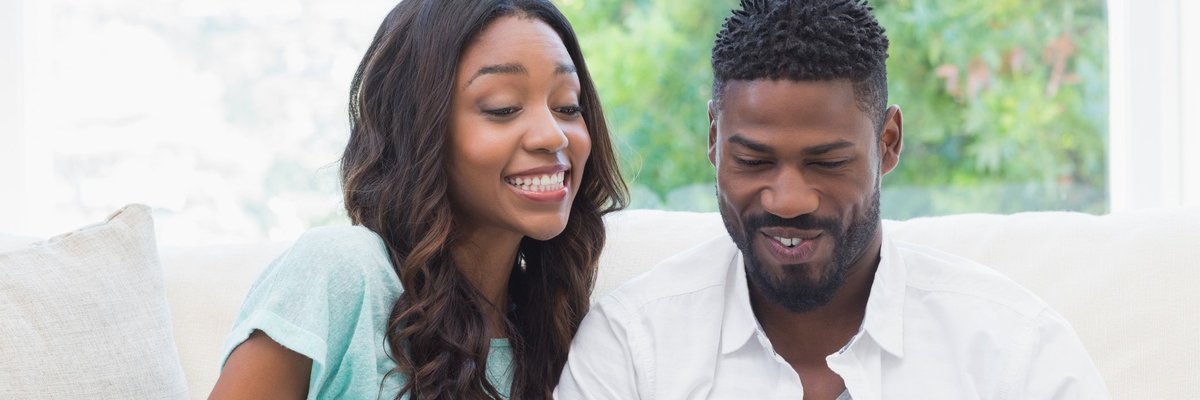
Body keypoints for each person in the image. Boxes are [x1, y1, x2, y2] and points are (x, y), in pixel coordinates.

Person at [555, 0, 1108, 399]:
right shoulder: (633, 348)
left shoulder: (1014, 351)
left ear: (887, 143)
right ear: (713, 140)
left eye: (827, 162)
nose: (789, 199)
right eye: (753, 160)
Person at [208, 0, 626, 398]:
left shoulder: (564, 328)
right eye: (503, 107)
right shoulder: (342, 275)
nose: (553, 135)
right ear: (418, 129)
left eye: (568, 106)